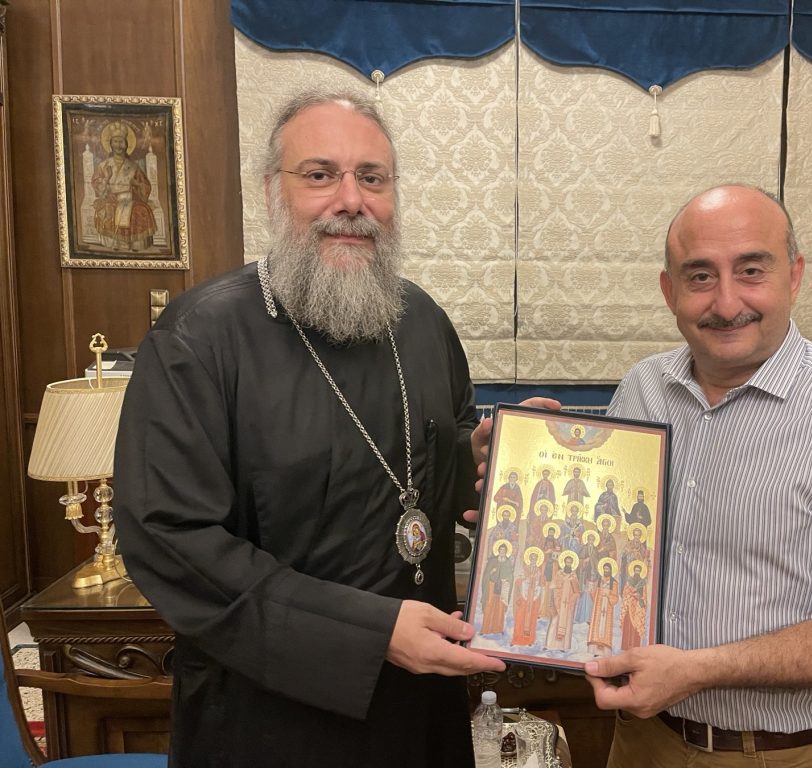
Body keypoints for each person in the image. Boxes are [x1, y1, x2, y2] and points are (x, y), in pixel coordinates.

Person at [113, 89, 560, 768]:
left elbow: (428, 479)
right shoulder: (199, 337)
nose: (351, 201)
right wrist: (370, 633)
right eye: (320, 175)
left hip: (421, 709)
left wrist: (480, 459)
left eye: (372, 178)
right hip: (268, 721)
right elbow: (170, 539)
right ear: (273, 190)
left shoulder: (423, 321)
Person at [585, 185, 812, 768]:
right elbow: (606, 538)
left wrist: (699, 671)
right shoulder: (642, 389)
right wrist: (512, 474)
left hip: (782, 754)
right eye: (700, 276)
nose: (727, 303)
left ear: (794, 276)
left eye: (751, 270)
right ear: (669, 290)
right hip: (643, 739)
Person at [91, 120, 158, 252]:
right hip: (110, 198)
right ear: (110, 144)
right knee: (111, 209)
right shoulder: (103, 165)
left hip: (131, 199)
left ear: (127, 145)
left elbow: (145, 186)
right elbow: (97, 185)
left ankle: (135, 244)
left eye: (121, 142)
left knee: (141, 211)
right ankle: (117, 243)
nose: (118, 145)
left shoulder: (133, 166)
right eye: (115, 142)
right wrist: (107, 179)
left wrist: (136, 184)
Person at [480, 540, 514, 635]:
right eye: (501, 550)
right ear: (498, 550)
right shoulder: (492, 561)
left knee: (500, 608)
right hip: (491, 586)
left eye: (504, 550)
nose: (502, 551)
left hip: (502, 587)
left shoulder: (508, 563)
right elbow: (485, 575)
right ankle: (485, 629)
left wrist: (506, 579)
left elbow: (511, 576)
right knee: (489, 606)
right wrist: (491, 572)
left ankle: (498, 629)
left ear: (506, 551)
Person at [586, 559, 619, 655]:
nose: (606, 571)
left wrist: (608, 594)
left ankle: (604, 650)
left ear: (611, 570)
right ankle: (594, 649)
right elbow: (595, 594)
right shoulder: (600, 580)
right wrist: (591, 591)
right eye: (604, 569)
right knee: (596, 625)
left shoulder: (614, 583)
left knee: (605, 628)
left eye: (607, 569)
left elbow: (615, 598)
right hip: (598, 607)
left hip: (607, 608)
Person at [620, 561, 648, 651]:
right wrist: (632, 595)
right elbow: (625, 593)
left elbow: (644, 596)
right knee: (628, 625)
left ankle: (635, 647)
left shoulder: (643, 583)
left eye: (638, 571)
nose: (637, 572)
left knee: (636, 626)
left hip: (637, 607)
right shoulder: (629, 581)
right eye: (635, 570)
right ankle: (626, 646)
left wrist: (640, 598)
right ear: (633, 571)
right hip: (629, 606)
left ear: (640, 572)